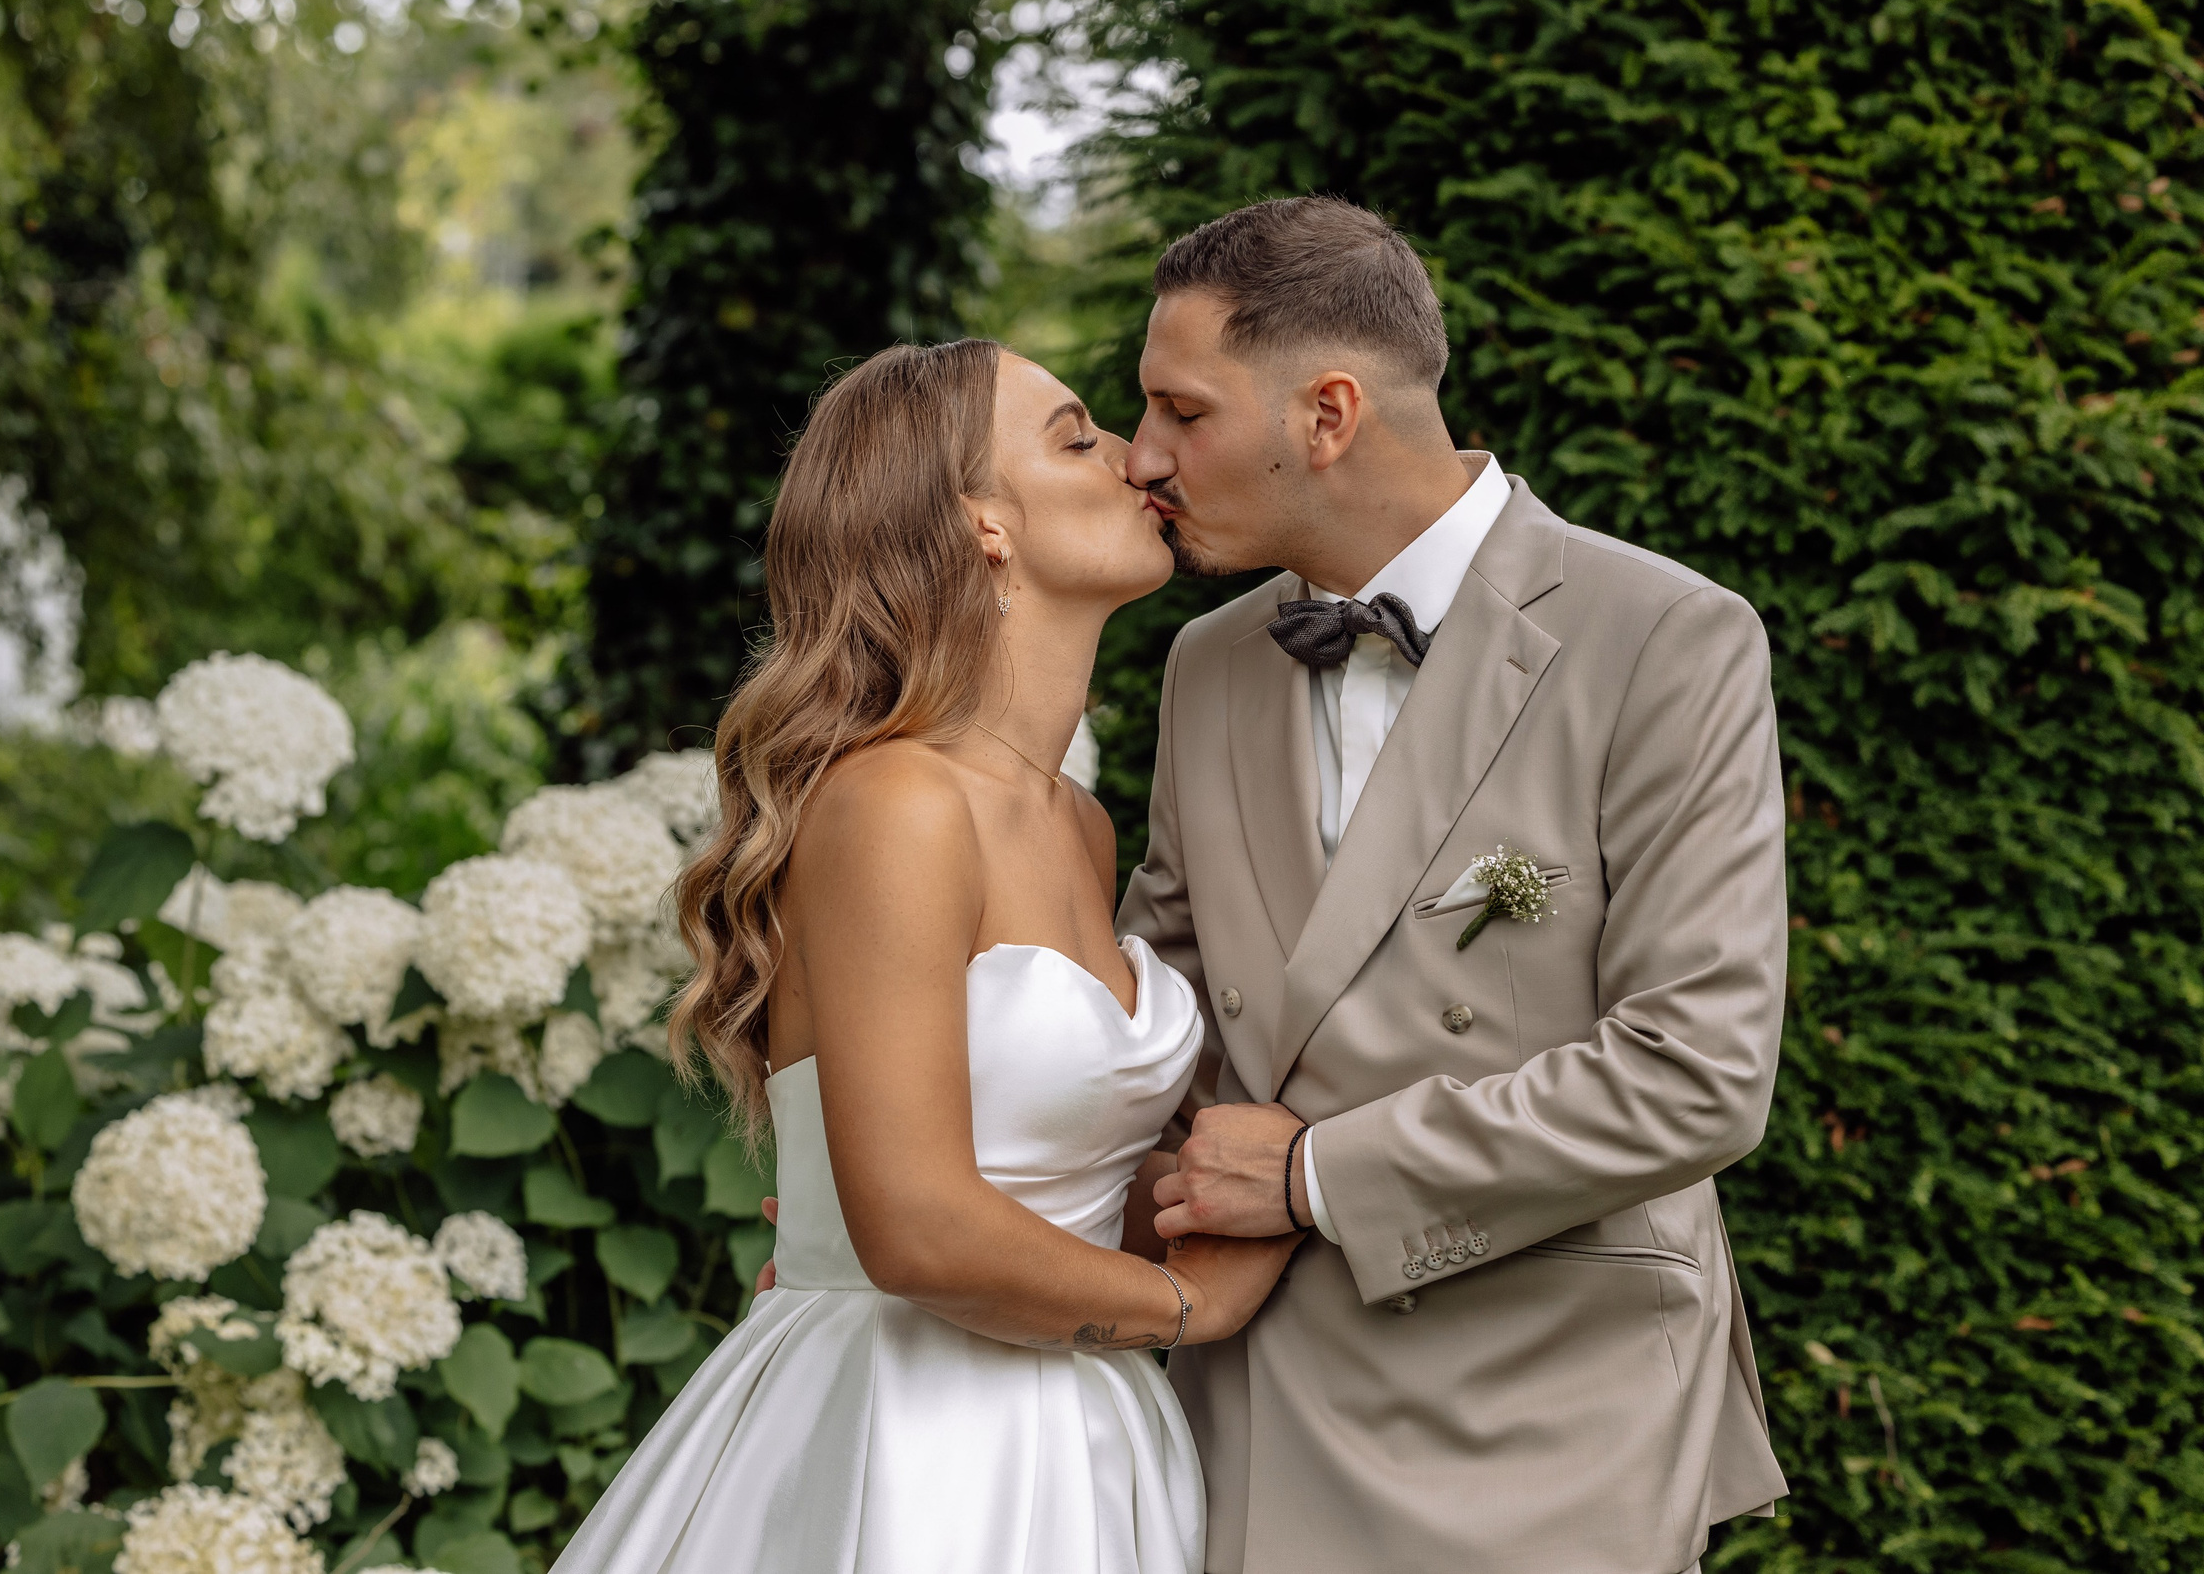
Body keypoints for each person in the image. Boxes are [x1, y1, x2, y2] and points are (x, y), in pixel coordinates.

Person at [1116, 196, 1790, 1573]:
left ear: (1328, 413)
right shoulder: (1210, 660)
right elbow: (1155, 1006)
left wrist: (1313, 1172)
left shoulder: (1666, 637)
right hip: (1258, 1383)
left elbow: (1697, 1071)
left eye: (1181, 411)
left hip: (1546, 1394)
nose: (1144, 458)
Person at [551, 338, 1301, 1574]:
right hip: (910, 1444)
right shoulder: (893, 802)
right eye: (1077, 438)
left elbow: (1054, 1146)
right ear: (981, 524)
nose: (1138, 458)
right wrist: (1188, 1304)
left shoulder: (1078, 822)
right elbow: (912, 1226)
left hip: (1088, 1444)